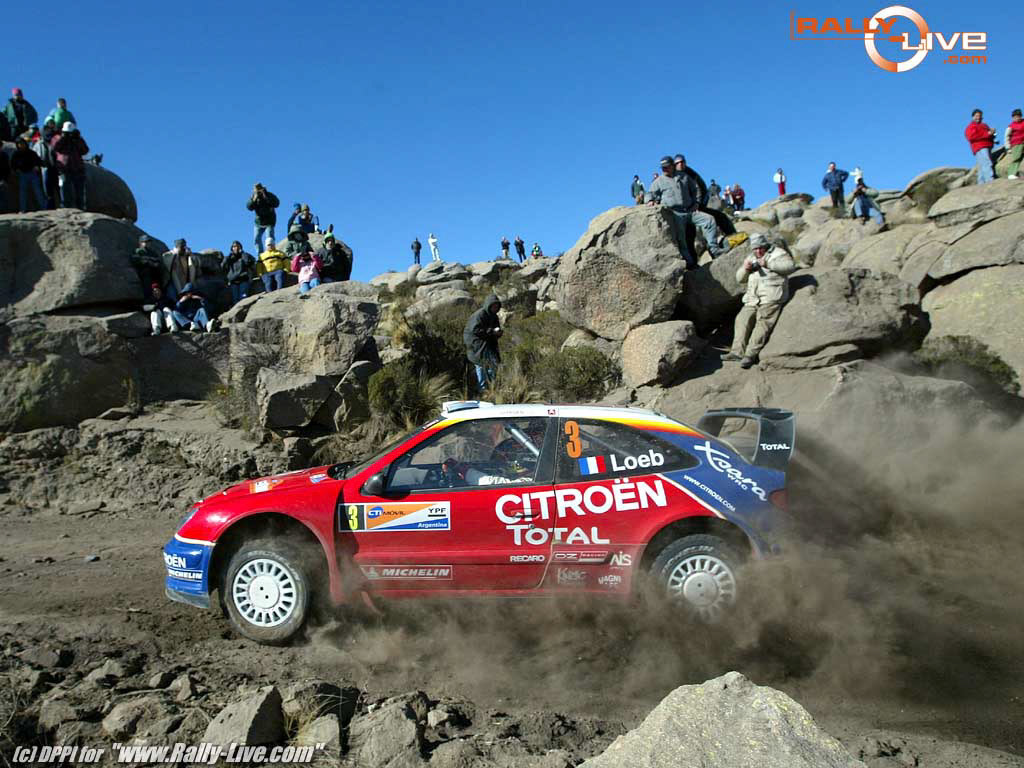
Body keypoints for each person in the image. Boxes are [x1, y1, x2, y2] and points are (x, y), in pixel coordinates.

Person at [724, 233, 796, 369]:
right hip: (752, 298)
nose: (758, 251)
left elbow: (790, 267)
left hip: (771, 297)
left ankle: (750, 355)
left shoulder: (778, 253)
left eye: (760, 248)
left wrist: (768, 263)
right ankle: (737, 352)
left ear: (765, 245)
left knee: (762, 324)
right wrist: (745, 269)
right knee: (741, 319)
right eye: (755, 249)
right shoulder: (751, 257)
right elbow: (740, 279)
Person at [646, 155, 729, 269]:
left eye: (666, 167)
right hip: (675, 214)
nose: (664, 169)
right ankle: (690, 263)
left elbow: (695, 189)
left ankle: (713, 249)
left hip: (690, 211)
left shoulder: (684, 176)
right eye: (662, 168)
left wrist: (696, 203)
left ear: (672, 166)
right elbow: (650, 193)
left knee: (709, 220)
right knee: (682, 238)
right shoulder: (659, 181)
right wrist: (650, 200)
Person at [464, 294, 502, 390]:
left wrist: (498, 333)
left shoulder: (494, 317)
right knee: (480, 365)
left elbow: (495, 330)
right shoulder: (480, 315)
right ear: (488, 305)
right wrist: (490, 331)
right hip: (476, 345)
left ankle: (492, 386)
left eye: (497, 306)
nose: (495, 308)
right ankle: (482, 389)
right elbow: (475, 330)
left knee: (493, 364)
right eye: (493, 306)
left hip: (488, 344)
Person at [51, 122, 89, 209]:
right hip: (64, 167)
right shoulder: (57, 138)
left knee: (79, 189)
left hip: (77, 167)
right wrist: (63, 138)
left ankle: (81, 207)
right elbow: (55, 148)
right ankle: (65, 206)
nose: (68, 135)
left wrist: (77, 139)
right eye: (66, 132)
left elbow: (85, 150)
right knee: (65, 188)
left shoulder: (77, 139)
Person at [11, 138, 46, 212]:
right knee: (22, 193)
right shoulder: (16, 154)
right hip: (22, 174)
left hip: (32, 173)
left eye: (22, 143)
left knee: (38, 191)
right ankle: (23, 209)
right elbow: (13, 164)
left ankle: (43, 207)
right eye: (19, 144)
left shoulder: (31, 152)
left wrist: (38, 165)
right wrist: (16, 170)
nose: (21, 145)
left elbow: (38, 160)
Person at [130, 234, 167, 302]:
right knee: (147, 281)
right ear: (141, 243)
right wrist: (148, 263)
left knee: (159, 281)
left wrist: (155, 264)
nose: (148, 243)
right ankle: (148, 299)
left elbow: (158, 262)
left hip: (155, 273)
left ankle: (160, 299)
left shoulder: (153, 253)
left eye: (148, 242)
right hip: (145, 272)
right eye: (145, 242)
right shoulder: (137, 251)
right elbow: (136, 261)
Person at [965, 109, 997, 185]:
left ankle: (981, 183)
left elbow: (989, 135)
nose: (978, 117)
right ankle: (990, 181)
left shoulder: (984, 125)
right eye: (976, 116)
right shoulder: (971, 127)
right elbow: (971, 137)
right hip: (980, 147)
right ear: (973, 117)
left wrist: (992, 134)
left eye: (980, 116)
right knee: (986, 163)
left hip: (988, 146)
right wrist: (987, 134)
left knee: (982, 166)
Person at [247, 183, 280, 254]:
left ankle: (271, 252)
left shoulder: (269, 195)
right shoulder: (254, 196)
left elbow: (277, 204)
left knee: (269, 238)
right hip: (259, 222)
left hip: (269, 221)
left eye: (259, 189)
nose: (258, 191)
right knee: (256, 239)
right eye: (256, 190)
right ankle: (260, 255)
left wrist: (265, 195)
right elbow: (249, 207)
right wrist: (254, 198)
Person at [33, 120, 58, 208]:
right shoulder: (38, 145)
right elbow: (34, 156)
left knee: (58, 187)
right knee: (47, 189)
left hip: (55, 168)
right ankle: (50, 207)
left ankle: (60, 205)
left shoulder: (54, 143)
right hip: (44, 168)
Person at [222, 241, 256, 305]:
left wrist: (243, 253)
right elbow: (223, 265)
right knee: (235, 299)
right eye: (234, 246)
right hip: (233, 281)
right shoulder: (229, 258)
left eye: (238, 246)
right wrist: (230, 255)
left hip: (243, 280)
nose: (236, 248)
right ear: (232, 248)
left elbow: (248, 262)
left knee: (244, 298)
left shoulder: (245, 255)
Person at [1003, 109, 1023, 180]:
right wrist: (1008, 147)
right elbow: (1006, 136)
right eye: (1015, 117)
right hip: (1016, 144)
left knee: (1021, 159)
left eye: (1018, 116)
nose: (1017, 118)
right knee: (1016, 158)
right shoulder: (1011, 126)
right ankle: (1011, 173)